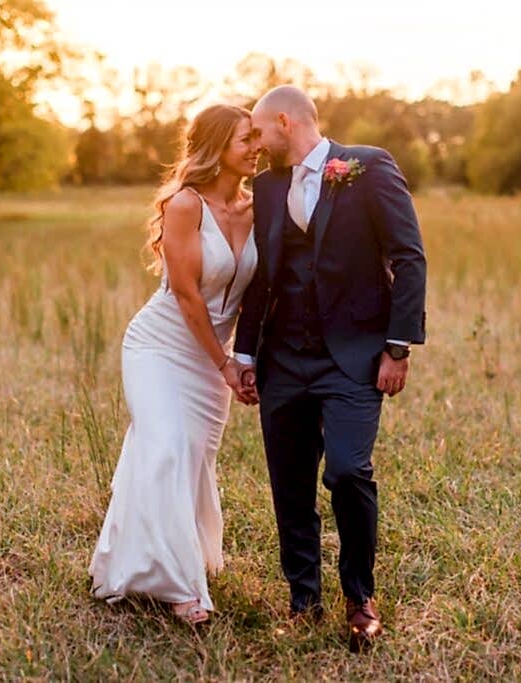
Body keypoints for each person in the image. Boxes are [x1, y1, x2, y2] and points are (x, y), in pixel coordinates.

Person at [233, 85, 427, 651]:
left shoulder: (367, 167)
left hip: (354, 357)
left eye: (259, 131)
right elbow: (263, 276)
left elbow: (408, 255)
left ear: (285, 123)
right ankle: (302, 599)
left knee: (346, 471)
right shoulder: (265, 188)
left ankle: (359, 597)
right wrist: (246, 354)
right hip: (283, 360)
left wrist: (397, 347)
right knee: (289, 484)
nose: (255, 141)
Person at [88, 104, 260, 625]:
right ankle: (182, 587)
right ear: (215, 149)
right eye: (245, 140)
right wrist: (225, 363)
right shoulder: (185, 205)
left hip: (216, 360)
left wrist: (245, 359)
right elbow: (186, 295)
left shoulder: (258, 208)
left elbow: (260, 294)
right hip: (161, 346)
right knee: (164, 447)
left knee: (190, 459)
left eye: (257, 138)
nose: (256, 147)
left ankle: (149, 558)